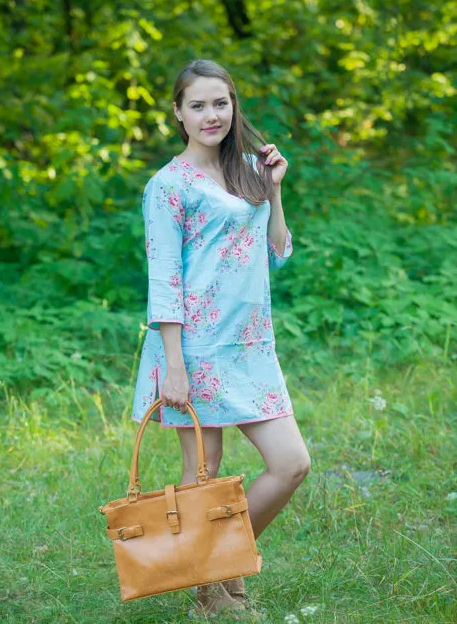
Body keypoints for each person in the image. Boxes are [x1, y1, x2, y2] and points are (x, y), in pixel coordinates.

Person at [131, 58, 311, 615]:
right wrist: (173, 365)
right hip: (194, 348)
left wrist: (274, 192)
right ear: (179, 115)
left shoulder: (247, 172)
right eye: (199, 105)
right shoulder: (166, 186)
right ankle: (210, 594)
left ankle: (215, 567)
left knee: (290, 464)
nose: (212, 115)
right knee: (202, 477)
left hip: (252, 345)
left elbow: (277, 252)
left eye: (221, 103)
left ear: (234, 105)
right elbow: (164, 279)